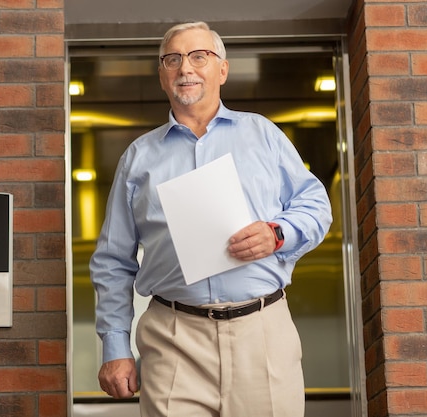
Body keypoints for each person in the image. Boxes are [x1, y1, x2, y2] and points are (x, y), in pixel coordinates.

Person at [89, 21, 332, 417]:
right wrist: (115, 347)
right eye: (173, 59)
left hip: (262, 331)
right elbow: (113, 261)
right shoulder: (138, 157)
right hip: (173, 339)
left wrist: (277, 233)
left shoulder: (263, 134)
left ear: (222, 69)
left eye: (199, 56)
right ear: (162, 75)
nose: (186, 68)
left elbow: (316, 205)